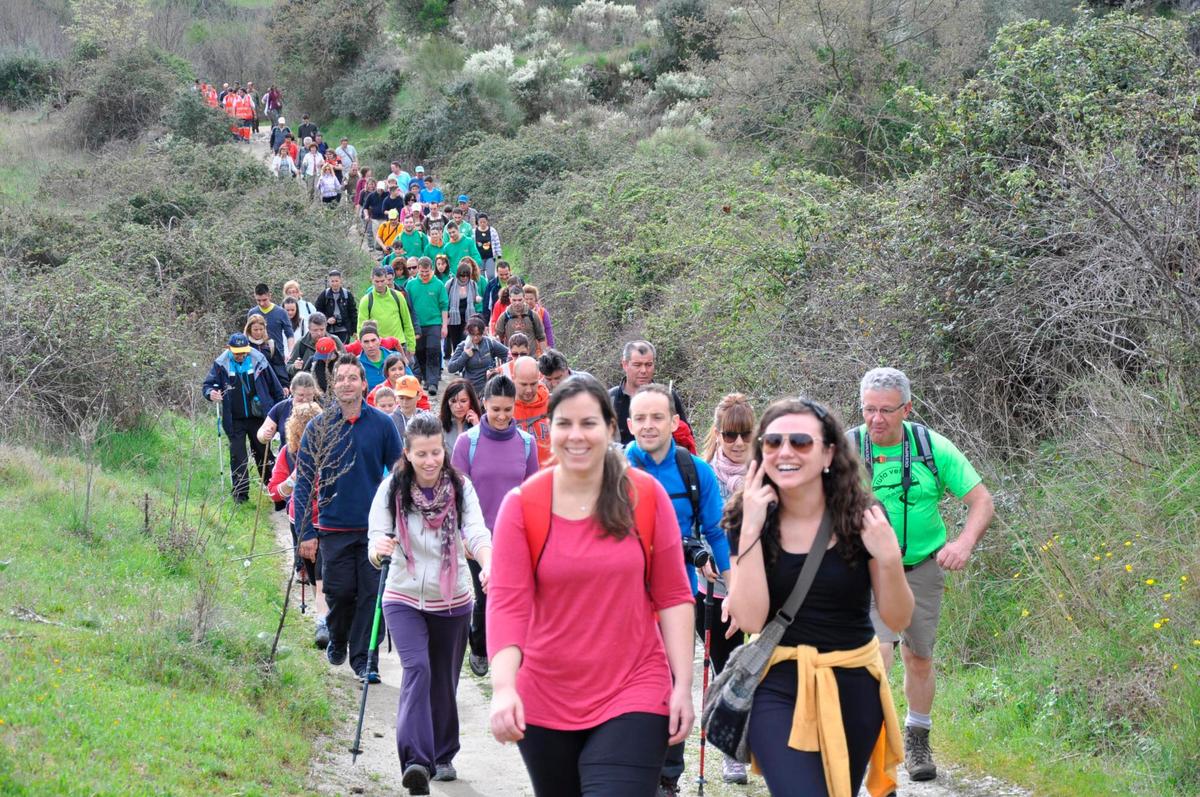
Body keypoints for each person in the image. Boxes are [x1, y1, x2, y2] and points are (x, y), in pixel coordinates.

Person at [487, 376, 696, 797]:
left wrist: (683, 687)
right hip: (545, 695)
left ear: (610, 428)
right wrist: (504, 687)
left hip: (634, 687)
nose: (576, 435)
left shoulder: (646, 496)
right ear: (549, 429)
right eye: (564, 424)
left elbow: (673, 596)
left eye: (589, 423)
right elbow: (508, 603)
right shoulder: (523, 505)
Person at [724, 397, 913, 797]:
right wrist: (751, 530)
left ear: (828, 452)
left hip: (854, 684)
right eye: (773, 442)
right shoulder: (747, 515)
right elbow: (752, 619)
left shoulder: (862, 515)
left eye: (801, 442)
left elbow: (897, 619)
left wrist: (889, 557)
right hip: (777, 683)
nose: (785, 452)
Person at [851, 367, 995, 782]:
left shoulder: (932, 447)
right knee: (876, 655)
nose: (876, 420)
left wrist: (963, 544)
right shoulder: (848, 447)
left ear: (907, 408)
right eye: (868, 410)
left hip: (921, 568)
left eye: (886, 411)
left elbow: (981, 501)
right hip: (866, 571)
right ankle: (872, 740)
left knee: (918, 657)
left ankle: (917, 737)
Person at [622, 384, 741, 791]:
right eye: (641, 418)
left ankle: (667, 777)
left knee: (674, 682)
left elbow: (716, 533)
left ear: (675, 422)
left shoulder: (695, 471)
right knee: (629, 685)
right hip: (624, 598)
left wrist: (734, 589)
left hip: (677, 596)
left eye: (658, 417)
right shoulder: (616, 470)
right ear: (629, 424)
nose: (649, 425)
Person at [368, 412, 494, 793]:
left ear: (445, 450)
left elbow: (474, 530)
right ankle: (416, 762)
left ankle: (443, 754)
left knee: (443, 681)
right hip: (403, 595)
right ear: (407, 453)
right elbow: (377, 533)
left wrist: (487, 562)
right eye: (421, 454)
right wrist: (379, 549)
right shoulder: (392, 488)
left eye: (436, 453)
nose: (429, 461)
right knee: (418, 669)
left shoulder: (461, 489)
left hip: (452, 598)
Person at [293, 354, 403, 681]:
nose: (346, 383)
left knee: (372, 595)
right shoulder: (319, 427)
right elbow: (303, 483)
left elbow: (400, 474)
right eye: (340, 378)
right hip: (333, 527)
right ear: (333, 384)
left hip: (374, 530)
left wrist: (399, 522)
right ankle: (338, 637)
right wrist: (305, 532)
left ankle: (364, 660)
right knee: (339, 592)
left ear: (363, 383)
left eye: (352, 377)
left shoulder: (382, 425)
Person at [450, 374, 538, 678]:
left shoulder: (527, 444)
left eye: (507, 409)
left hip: (515, 538)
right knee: (486, 594)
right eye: (495, 409)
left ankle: (511, 652)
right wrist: (462, 536)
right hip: (477, 539)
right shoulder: (467, 443)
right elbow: (455, 496)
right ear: (484, 404)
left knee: (514, 597)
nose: (501, 416)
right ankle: (480, 645)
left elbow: (533, 495)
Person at [267, 399, 329, 649]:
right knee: (315, 577)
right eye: (304, 429)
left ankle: (323, 621)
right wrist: (293, 481)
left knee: (323, 572)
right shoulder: (288, 454)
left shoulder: (334, 450)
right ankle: (324, 618)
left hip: (329, 520)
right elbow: (274, 493)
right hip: (301, 520)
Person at [202, 333, 285, 503]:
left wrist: (280, 412)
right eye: (237, 352)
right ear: (229, 349)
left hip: (258, 417)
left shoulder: (259, 360)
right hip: (234, 419)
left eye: (243, 352)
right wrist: (212, 394)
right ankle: (240, 495)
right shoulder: (220, 364)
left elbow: (274, 386)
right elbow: (208, 385)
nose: (240, 355)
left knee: (264, 453)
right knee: (238, 456)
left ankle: (275, 491)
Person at [608, 341, 690, 449]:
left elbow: (686, 440)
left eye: (648, 365)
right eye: (637, 365)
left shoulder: (668, 396)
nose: (643, 370)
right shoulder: (610, 399)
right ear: (625, 365)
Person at [406, 257, 450, 396]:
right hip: (417, 325)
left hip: (434, 323)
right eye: (422, 271)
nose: (424, 274)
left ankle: (433, 382)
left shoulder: (438, 284)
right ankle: (425, 378)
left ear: (431, 269)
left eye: (427, 271)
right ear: (418, 269)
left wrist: (444, 326)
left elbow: (444, 306)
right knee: (420, 352)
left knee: (433, 350)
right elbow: (407, 306)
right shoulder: (411, 285)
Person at [702, 393, 756, 499]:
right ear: (717, 434)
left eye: (746, 434)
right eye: (730, 436)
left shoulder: (768, 472)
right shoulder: (704, 477)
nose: (739, 443)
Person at [358, 267, 416, 354]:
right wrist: (362, 347)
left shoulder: (398, 296)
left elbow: (407, 321)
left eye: (382, 281)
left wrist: (411, 345)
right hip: (377, 345)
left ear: (387, 279)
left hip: (398, 344)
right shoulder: (366, 301)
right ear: (372, 280)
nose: (380, 284)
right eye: (377, 281)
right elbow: (361, 327)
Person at [447, 316, 509, 396]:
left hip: (488, 389)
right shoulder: (463, 346)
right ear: (468, 332)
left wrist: (500, 370)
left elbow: (509, 355)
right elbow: (451, 368)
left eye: (479, 334)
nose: (476, 338)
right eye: (473, 335)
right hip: (470, 390)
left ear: (483, 332)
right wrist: (465, 355)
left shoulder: (490, 343)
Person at [258, 371, 321, 448]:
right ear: (292, 390)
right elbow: (261, 432)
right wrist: (264, 435)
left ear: (314, 392)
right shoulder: (281, 407)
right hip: (287, 457)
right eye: (301, 395)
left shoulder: (321, 408)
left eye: (309, 395)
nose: (305, 399)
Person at [512, 356, 552, 468]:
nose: (529, 390)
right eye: (524, 384)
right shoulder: (504, 409)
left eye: (533, 384)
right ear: (513, 378)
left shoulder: (553, 405)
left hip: (549, 476)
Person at [494, 280, 547, 354]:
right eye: (514, 300)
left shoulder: (533, 316)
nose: (517, 303)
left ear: (524, 298)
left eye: (519, 300)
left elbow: (541, 338)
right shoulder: (504, 317)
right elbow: (497, 339)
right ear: (510, 299)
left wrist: (545, 355)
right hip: (512, 359)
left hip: (531, 358)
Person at [445, 261, 483, 360]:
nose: (464, 278)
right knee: (456, 341)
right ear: (458, 274)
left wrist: (478, 299)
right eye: (462, 275)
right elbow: (445, 301)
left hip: (468, 316)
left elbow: (475, 296)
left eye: (467, 275)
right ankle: (457, 360)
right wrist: (446, 317)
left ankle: (465, 360)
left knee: (466, 339)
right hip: (453, 317)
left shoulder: (472, 284)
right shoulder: (451, 283)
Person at [247, 283, 294, 361]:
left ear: (269, 296)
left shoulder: (281, 312)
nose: (262, 303)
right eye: (258, 300)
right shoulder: (252, 313)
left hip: (277, 356)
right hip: (257, 356)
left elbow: (290, 335)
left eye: (264, 300)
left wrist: (290, 353)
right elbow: (248, 334)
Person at [245, 312, 289, 389]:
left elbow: (279, 366)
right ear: (249, 329)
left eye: (261, 329)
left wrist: (284, 385)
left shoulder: (270, 344)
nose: (258, 332)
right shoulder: (244, 346)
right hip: (251, 386)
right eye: (255, 330)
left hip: (270, 386)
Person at [314, 270, 358, 344]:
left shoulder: (347, 295)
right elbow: (318, 311)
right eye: (332, 281)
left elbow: (353, 312)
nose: (334, 284)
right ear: (329, 282)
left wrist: (354, 330)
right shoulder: (324, 295)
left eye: (336, 281)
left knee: (343, 350)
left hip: (344, 328)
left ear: (341, 281)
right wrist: (327, 319)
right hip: (329, 329)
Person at [439, 378, 481, 453]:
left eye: (463, 401)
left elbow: (487, 453)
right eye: (453, 401)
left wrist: (478, 427)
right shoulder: (438, 426)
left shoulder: (481, 424)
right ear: (447, 402)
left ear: (471, 401)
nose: (458, 406)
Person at [473, 213, 501, 281]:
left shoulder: (492, 231)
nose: (482, 224)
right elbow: (472, 244)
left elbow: (497, 242)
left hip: (490, 256)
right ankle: (483, 290)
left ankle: (492, 289)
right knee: (480, 276)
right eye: (481, 222)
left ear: (487, 221)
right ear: (478, 222)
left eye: (484, 222)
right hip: (479, 257)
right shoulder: (474, 232)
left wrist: (499, 254)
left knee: (491, 275)